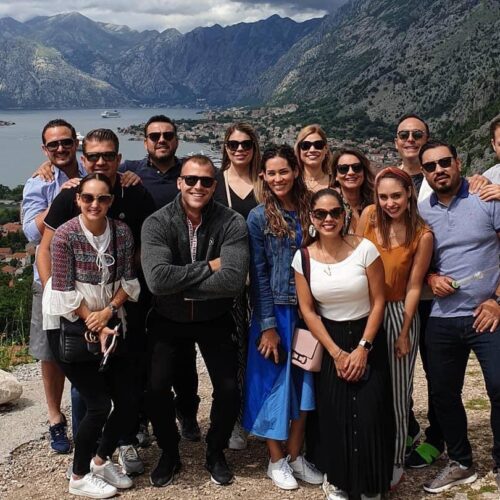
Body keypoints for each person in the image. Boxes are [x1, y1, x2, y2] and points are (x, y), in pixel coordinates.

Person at [36, 129, 156, 477]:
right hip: (76, 316)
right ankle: (86, 462)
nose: (101, 161)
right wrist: (65, 304)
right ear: (83, 159)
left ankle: (114, 449)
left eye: (108, 155)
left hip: (119, 310)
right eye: (93, 156)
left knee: (126, 386)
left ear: (119, 159)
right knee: (90, 396)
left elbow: (136, 256)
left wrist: (110, 310)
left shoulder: (132, 196)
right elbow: (46, 251)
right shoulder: (68, 201)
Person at [141, 154, 249, 487]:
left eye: (205, 181)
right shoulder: (157, 222)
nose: (197, 186)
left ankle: (215, 452)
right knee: (156, 388)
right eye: (191, 179)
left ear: (214, 185)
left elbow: (232, 281)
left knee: (229, 389)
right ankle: (169, 452)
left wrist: (183, 284)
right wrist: (211, 266)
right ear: (179, 182)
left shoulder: (231, 222)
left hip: (215, 316)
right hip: (168, 316)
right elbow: (157, 280)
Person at [42, 173, 141, 498]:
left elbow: (128, 281)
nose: (94, 204)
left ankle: (100, 460)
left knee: (128, 401)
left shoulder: (122, 233)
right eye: (88, 198)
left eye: (102, 198)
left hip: (111, 320)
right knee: (97, 405)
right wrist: (93, 322)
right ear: (78, 200)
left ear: (111, 201)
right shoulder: (66, 235)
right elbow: (63, 288)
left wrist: (107, 314)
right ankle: (79, 475)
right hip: (70, 326)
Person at [293, 188, 393, 500]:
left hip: (368, 333)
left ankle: (372, 483)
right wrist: (336, 353)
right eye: (320, 213)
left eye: (335, 212)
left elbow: (379, 301)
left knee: (370, 411)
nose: (328, 219)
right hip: (329, 337)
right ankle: (337, 478)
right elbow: (307, 310)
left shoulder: (365, 249)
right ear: (311, 217)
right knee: (333, 413)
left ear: (344, 215)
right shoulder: (303, 257)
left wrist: (363, 347)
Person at [417, 140, 500, 494]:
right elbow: (413, 262)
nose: (439, 170)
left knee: (499, 387)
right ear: (424, 173)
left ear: (458, 162)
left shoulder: (487, 198)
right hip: (443, 317)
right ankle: (461, 461)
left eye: (445, 162)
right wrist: (431, 279)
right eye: (431, 166)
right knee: (443, 393)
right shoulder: (423, 212)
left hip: (488, 314)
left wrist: (497, 300)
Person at [243, 144, 323, 491]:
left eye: (283, 171)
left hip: (310, 312)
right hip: (276, 311)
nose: (278, 178)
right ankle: (275, 459)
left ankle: (294, 455)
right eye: (271, 172)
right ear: (263, 175)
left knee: (304, 385)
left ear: (295, 171)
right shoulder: (258, 217)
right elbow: (258, 274)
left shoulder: (313, 211)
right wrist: (268, 326)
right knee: (273, 385)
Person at [121, 115, 203, 447]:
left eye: (167, 135)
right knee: (142, 354)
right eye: (154, 135)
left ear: (176, 140)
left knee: (184, 354)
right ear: (145, 141)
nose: (161, 140)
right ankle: (142, 418)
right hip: (142, 279)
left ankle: (187, 413)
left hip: (181, 279)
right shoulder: (131, 173)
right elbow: (93, 180)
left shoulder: (189, 174)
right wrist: (53, 174)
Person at [357, 168, 433, 487]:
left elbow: (415, 286)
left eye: (396, 196)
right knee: (367, 387)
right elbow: (355, 260)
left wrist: (403, 332)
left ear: (409, 195)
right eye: (384, 196)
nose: (390, 203)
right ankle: (367, 452)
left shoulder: (422, 233)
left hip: (399, 310)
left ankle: (396, 458)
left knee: (399, 392)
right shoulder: (370, 216)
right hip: (364, 308)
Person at [21, 119, 86, 454]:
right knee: (50, 354)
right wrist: (61, 198)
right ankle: (55, 418)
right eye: (53, 145)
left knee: (89, 347)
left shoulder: (93, 168)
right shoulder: (39, 181)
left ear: (76, 142)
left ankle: (91, 417)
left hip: (90, 281)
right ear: (45, 150)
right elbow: (31, 234)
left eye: (66, 142)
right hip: (48, 281)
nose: (61, 149)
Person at [213, 122, 260, 450]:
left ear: (255, 147)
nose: (239, 149)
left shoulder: (266, 182)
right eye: (233, 144)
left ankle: (257, 416)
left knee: (260, 349)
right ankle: (231, 420)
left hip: (262, 279)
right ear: (225, 147)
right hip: (228, 281)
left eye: (246, 144)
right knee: (230, 352)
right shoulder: (214, 183)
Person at [331, 147, 374, 234]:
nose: (351, 172)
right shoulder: (330, 206)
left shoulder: (376, 203)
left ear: (364, 172)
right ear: (336, 176)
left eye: (356, 167)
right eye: (343, 169)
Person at [294, 124, 333, 193]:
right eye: (306, 145)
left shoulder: (337, 183)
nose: (312, 150)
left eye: (318, 145)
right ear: (299, 150)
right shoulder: (292, 184)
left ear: (326, 149)